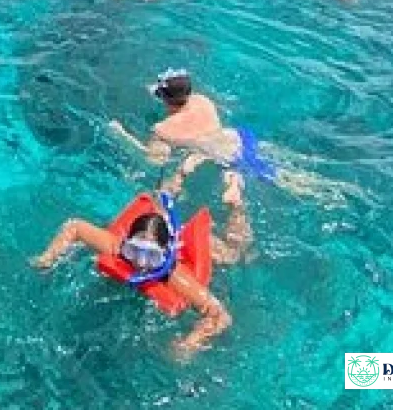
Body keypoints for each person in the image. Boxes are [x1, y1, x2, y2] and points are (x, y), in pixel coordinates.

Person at [31, 177, 251, 357]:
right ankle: (177, 179)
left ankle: (236, 201)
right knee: (163, 196)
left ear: (164, 256)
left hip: (192, 244)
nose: (141, 263)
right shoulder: (116, 247)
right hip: (156, 230)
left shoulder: (173, 275)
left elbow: (220, 315)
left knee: (234, 251)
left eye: (152, 256)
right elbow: (75, 226)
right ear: (127, 243)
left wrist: (189, 344)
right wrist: (48, 258)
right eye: (135, 251)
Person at [109, 69, 275, 196]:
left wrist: (121, 135)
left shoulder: (162, 129)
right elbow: (177, 94)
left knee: (165, 188)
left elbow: (155, 160)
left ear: (164, 100)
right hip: (240, 139)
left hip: (222, 158)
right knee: (286, 177)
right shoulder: (203, 101)